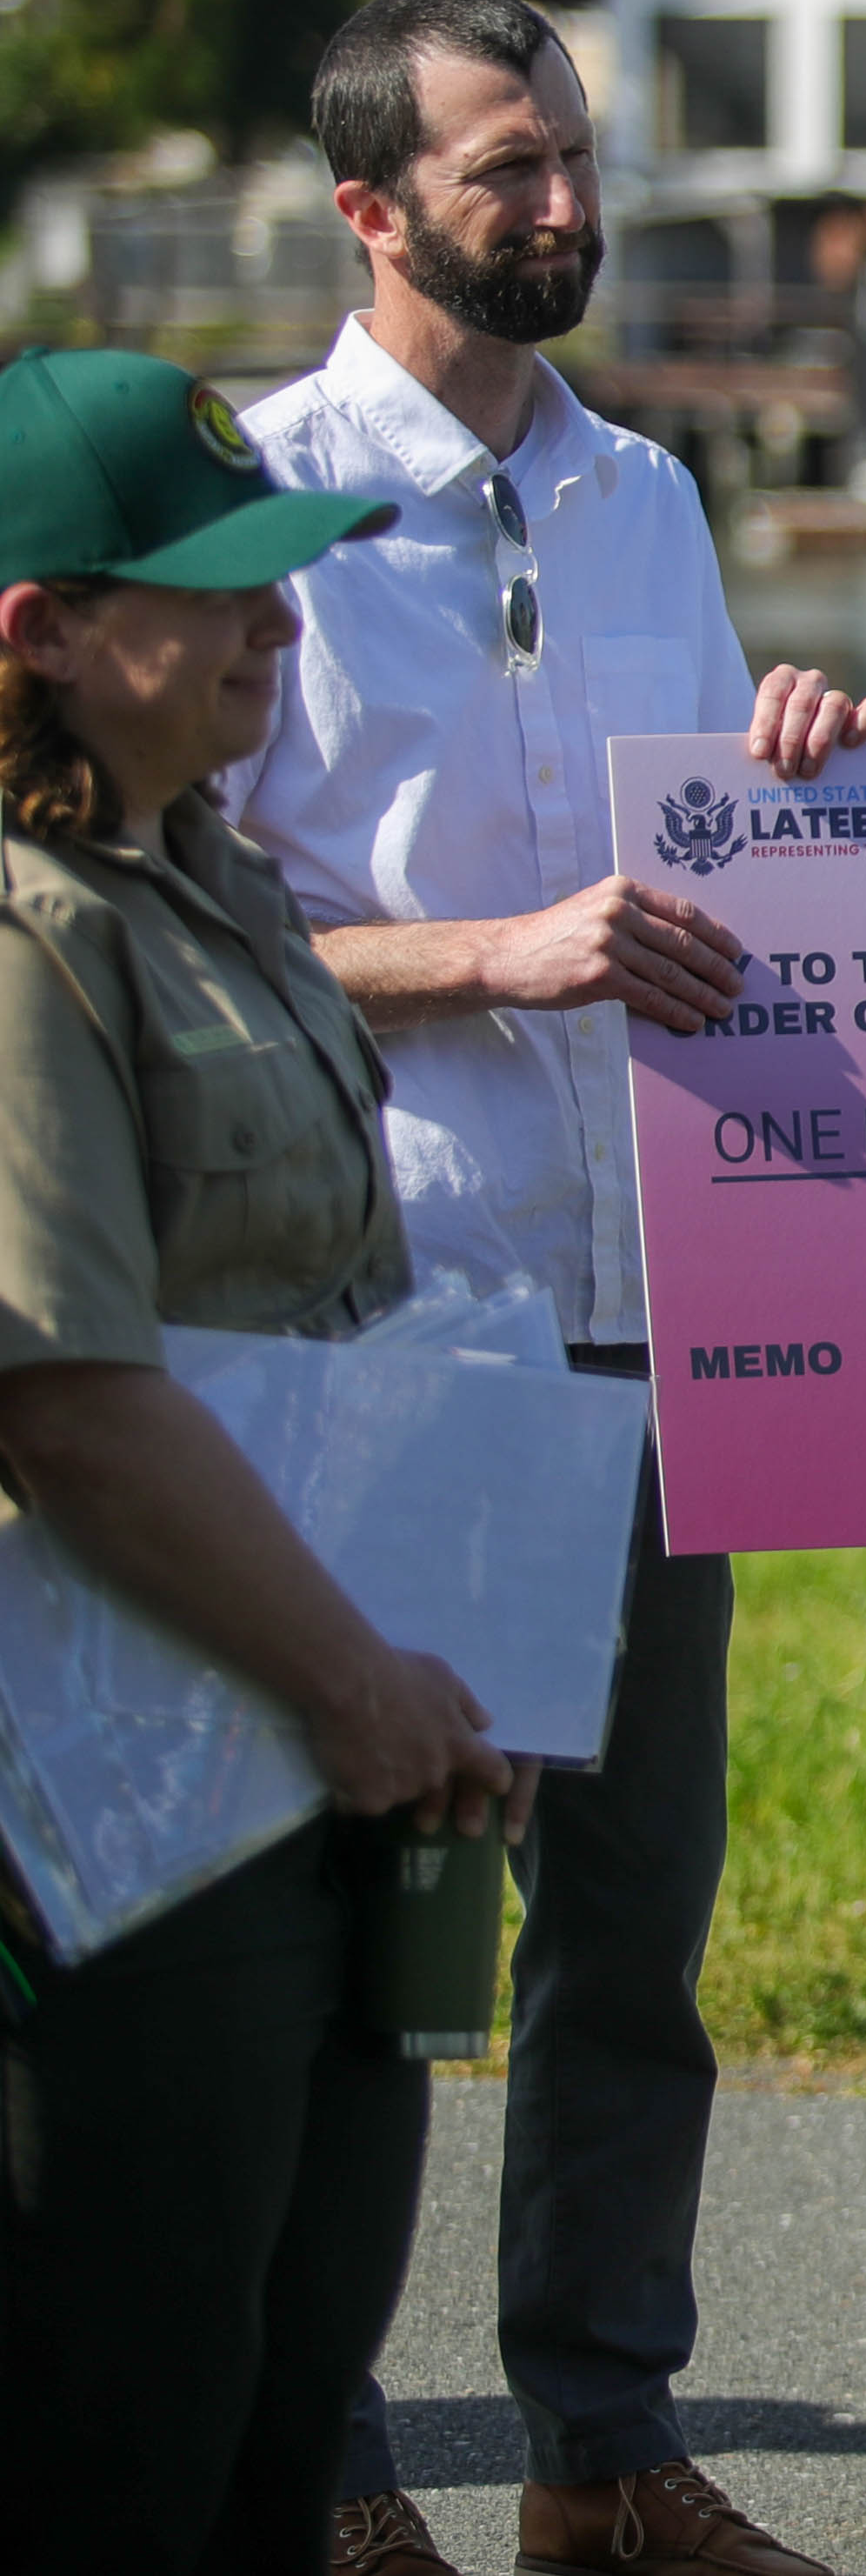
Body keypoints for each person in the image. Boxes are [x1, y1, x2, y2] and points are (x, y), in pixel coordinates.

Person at [228, 0, 866, 2576]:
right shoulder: (257, 499)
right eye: (510, 169)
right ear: (374, 208)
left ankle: (604, 2455)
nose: (568, 205)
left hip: (660, 1297)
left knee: (628, 1929)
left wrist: (799, 768)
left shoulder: (648, 499)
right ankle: (331, 2458)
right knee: (371, 1932)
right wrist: (491, 954)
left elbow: (697, 881)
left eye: (574, 155)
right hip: (393, 1313)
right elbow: (198, 926)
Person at [0, 349, 525, 2576]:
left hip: (327, 1760)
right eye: (212, 591)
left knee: (285, 2402)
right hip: (117, 1801)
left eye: (284, 579)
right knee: (116, 2416)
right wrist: (357, 1674)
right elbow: (66, 1401)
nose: (276, 627)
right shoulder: (32, 938)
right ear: (34, 622)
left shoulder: (214, 885)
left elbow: (339, 1332)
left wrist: (460, 1660)